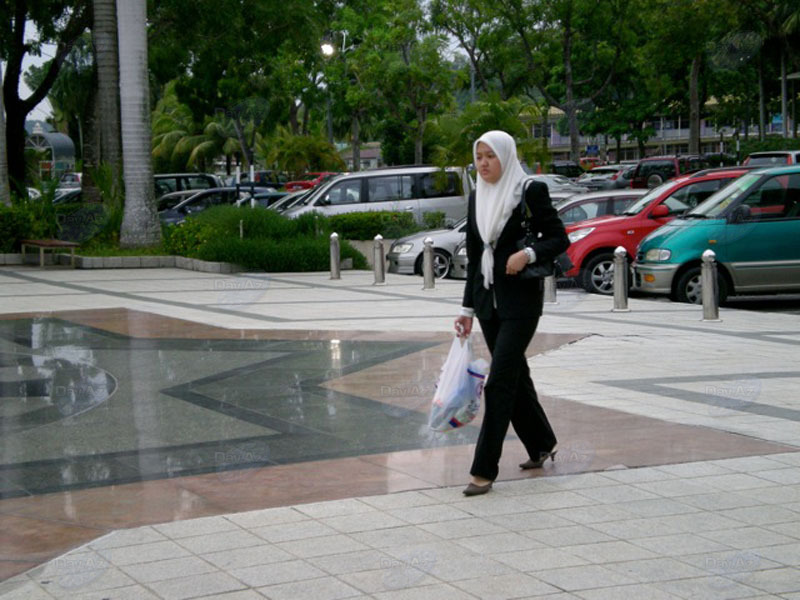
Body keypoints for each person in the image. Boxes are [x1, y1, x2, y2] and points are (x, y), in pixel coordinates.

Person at [454, 130, 570, 496]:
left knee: (500, 381)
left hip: (521, 303)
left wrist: (528, 255)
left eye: (491, 156)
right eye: (479, 156)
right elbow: (475, 258)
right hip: (488, 303)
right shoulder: (477, 198)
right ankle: (542, 443)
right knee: (516, 375)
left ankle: (484, 470)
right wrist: (467, 309)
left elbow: (558, 237)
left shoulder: (529, 191)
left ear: (506, 156)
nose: (484, 163)